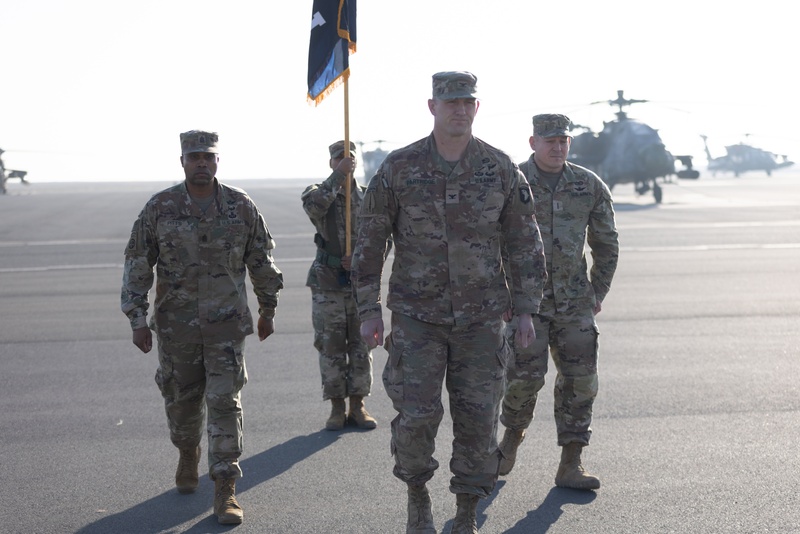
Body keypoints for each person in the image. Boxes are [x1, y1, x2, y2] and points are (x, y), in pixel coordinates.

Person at [352, 72, 546, 534]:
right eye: (450, 102)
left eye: (467, 102)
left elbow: (524, 242)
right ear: (432, 106)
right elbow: (370, 240)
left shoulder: (499, 167)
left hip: (482, 319)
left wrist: (526, 309)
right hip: (418, 317)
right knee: (417, 415)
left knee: (479, 419)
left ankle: (464, 513)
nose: (459, 109)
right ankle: (417, 496)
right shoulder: (400, 167)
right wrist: (368, 309)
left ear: (477, 108)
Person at [120, 130, 284, 525]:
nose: (201, 163)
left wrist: (268, 309)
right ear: (182, 161)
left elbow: (260, 261)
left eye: (208, 157)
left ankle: (225, 487)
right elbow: (137, 263)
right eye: (194, 157)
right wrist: (137, 320)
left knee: (226, 403)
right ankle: (186, 451)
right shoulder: (161, 207)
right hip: (178, 330)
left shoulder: (240, 206)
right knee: (182, 404)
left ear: (216, 161)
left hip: (226, 328)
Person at [497, 114, 619, 490]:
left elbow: (607, 244)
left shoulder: (587, 184)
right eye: (550, 141)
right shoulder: (510, 181)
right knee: (522, 381)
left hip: (574, 305)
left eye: (563, 140)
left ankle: (571, 463)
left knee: (580, 383)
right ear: (533, 142)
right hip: (525, 308)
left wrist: (595, 292)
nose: (557, 147)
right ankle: (509, 441)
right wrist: (502, 295)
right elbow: (484, 244)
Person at [301, 140, 377, 431]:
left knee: (361, 346)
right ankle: (336, 407)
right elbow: (315, 208)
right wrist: (337, 177)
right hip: (327, 283)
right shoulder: (317, 193)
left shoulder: (369, 197)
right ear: (331, 163)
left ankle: (358, 405)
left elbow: (384, 236)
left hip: (360, 284)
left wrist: (360, 260)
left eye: (349, 159)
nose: (345, 163)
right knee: (331, 346)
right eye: (338, 159)